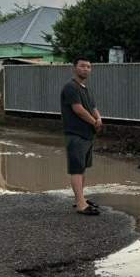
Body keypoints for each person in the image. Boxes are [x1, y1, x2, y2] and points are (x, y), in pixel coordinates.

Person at [60, 57, 103, 216]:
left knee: (82, 168)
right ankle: (80, 205)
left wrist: (99, 119)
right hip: (75, 133)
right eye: (82, 66)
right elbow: (78, 109)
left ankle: (81, 199)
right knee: (76, 169)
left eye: (89, 66)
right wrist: (94, 122)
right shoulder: (70, 87)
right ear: (74, 68)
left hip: (87, 134)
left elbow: (93, 107)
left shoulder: (86, 89)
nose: (86, 69)